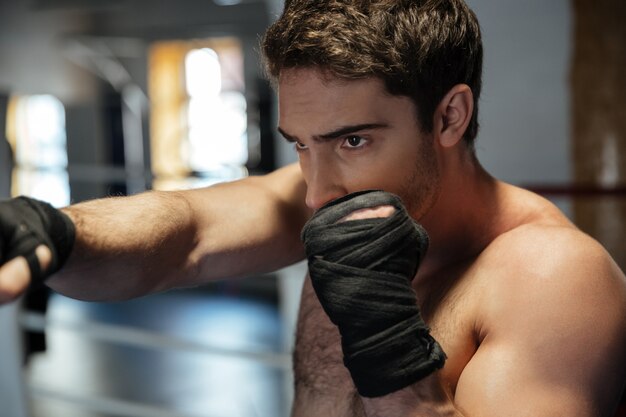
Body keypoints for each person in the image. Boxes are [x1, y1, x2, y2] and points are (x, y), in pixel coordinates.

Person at [1, 0, 625, 415]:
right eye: (301, 144)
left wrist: (391, 357)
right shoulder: (336, 201)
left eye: (353, 140)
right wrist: (56, 229)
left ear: (449, 116)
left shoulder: (553, 279)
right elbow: (182, 237)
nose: (316, 190)